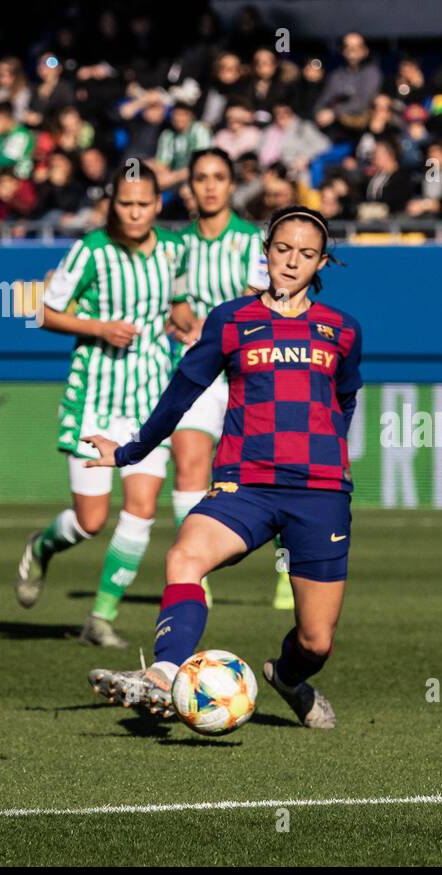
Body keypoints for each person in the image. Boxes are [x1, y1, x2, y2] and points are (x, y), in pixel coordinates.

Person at [83, 206, 362, 729]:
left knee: (315, 641)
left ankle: (285, 675)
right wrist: (129, 451)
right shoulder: (232, 321)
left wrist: (328, 457)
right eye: (282, 249)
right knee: (184, 557)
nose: (291, 261)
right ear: (266, 253)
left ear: (321, 261)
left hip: (320, 494)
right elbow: (181, 393)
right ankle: (164, 675)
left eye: (305, 254)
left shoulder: (342, 331)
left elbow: (344, 399)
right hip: (246, 484)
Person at [14, 164, 188, 648]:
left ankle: (100, 617)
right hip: (94, 396)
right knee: (90, 521)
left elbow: (178, 304)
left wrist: (187, 319)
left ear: (157, 205)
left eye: (143, 204)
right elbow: (42, 310)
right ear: (113, 203)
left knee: (142, 506)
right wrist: (99, 328)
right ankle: (42, 546)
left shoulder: (175, 250)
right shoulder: (92, 250)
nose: (134, 213)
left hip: (150, 398)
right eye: (125, 204)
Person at [169, 147, 294, 610]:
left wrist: (210, 326)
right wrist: (188, 321)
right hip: (200, 369)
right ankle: (195, 574)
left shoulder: (254, 240)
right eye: (200, 177)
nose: (209, 185)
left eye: (218, 177)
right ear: (190, 186)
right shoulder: (177, 245)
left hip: (252, 370)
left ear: (229, 184)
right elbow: (176, 305)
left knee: (274, 474)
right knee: (190, 466)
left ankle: (286, 573)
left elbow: (256, 301)